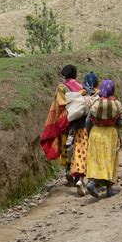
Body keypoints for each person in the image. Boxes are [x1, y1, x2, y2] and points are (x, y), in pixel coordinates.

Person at [40, 64, 88, 196]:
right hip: (80, 121)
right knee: (79, 146)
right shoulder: (80, 86)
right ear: (75, 74)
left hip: (66, 121)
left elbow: (61, 103)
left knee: (66, 146)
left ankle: (68, 170)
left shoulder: (61, 87)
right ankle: (78, 175)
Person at [85, 79, 122, 198]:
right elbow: (121, 122)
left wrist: (89, 133)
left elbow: (88, 120)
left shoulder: (96, 104)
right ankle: (109, 188)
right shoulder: (117, 104)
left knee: (97, 159)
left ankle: (93, 181)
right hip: (110, 134)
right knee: (110, 159)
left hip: (96, 132)